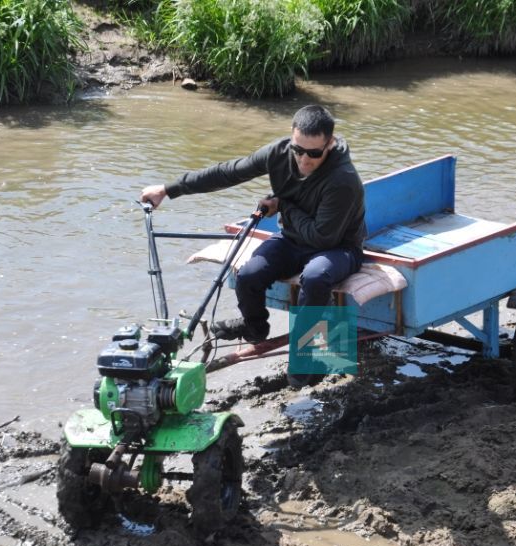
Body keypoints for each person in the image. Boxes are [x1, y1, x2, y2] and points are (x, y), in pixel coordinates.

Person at [140, 105, 366, 386]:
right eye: (298, 150)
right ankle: (255, 328)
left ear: (329, 145)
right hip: (293, 239)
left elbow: (322, 237)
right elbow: (227, 172)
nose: (304, 160)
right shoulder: (279, 153)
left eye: (314, 153)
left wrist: (283, 204)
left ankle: (309, 358)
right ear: (291, 139)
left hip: (338, 248)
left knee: (316, 276)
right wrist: (169, 189)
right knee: (248, 275)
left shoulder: (343, 179)